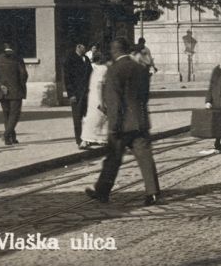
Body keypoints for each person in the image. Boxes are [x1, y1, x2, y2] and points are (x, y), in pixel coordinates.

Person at [86, 37, 160, 206]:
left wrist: (114, 125)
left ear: (115, 51)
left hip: (121, 125)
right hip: (140, 121)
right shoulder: (141, 68)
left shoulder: (114, 70)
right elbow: (145, 96)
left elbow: (114, 101)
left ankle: (102, 192)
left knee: (113, 158)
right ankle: (153, 193)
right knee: (145, 157)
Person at [0, 42, 28, 146]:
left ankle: (11, 138)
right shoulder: (18, 59)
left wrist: (0, 86)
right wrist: (21, 84)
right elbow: (24, 75)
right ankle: (7, 135)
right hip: (15, 91)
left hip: (2, 92)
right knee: (14, 115)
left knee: (6, 115)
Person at [80, 46, 110, 148]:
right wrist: (102, 102)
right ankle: (101, 139)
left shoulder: (94, 69)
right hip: (99, 97)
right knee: (102, 118)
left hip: (92, 97)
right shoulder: (104, 69)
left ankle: (86, 140)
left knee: (91, 119)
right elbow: (99, 86)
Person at [63, 42, 92, 147]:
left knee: (87, 117)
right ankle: (79, 140)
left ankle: (87, 138)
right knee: (77, 117)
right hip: (76, 94)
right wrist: (71, 94)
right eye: (84, 46)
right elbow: (67, 79)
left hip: (86, 93)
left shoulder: (86, 59)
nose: (85, 49)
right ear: (78, 47)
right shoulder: (70, 60)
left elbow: (90, 74)